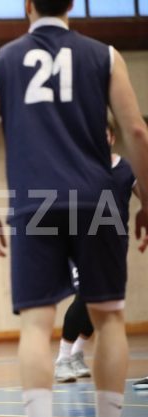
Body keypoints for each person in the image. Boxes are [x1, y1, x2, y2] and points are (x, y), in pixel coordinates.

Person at [0, 0, 148, 417]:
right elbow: (137, 130)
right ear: (71, 3)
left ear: (27, 6)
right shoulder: (106, 56)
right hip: (97, 202)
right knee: (109, 318)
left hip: (34, 203)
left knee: (35, 324)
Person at [54, 122, 141, 384]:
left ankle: (78, 352)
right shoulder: (78, 168)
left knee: (104, 301)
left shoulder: (126, 169)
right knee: (85, 296)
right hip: (80, 244)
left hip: (114, 245)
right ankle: (62, 358)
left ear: (112, 138)